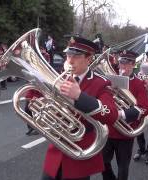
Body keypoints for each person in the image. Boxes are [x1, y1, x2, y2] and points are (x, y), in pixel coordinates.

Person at [41, 36, 118, 180]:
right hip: (56, 150)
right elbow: (37, 97)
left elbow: (111, 114)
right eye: (68, 55)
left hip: (80, 152)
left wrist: (79, 96)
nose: (70, 60)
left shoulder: (101, 83)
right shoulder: (59, 78)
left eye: (76, 56)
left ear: (89, 59)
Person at [101, 50, 148, 180]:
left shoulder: (139, 84)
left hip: (125, 132)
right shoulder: (110, 80)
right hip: (109, 130)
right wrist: (108, 92)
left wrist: (121, 113)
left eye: (126, 63)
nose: (122, 66)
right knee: (103, 163)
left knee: (123, 166)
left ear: (133, 65)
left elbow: (144, 108)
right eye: (121, 63)